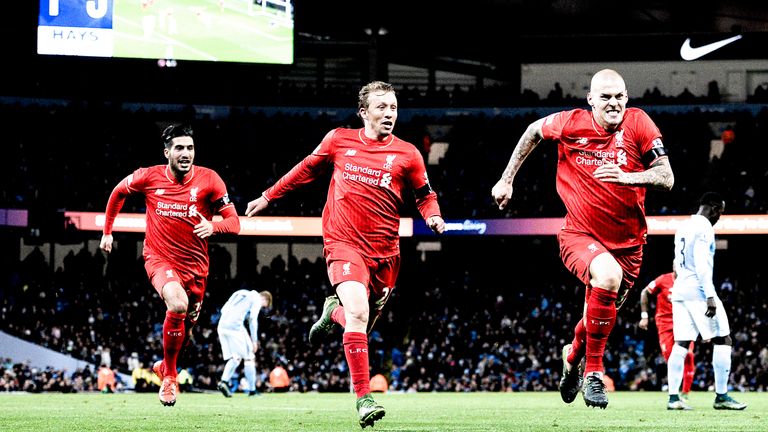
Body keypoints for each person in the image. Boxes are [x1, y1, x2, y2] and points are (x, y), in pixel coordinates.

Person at [245, 80, 445, 428]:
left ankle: (331, 312)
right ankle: (363, 398)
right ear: (363, 112)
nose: (389, 114)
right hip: (343, 242)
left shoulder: (408, 154)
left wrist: (433, 215)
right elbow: (305, 169)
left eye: (394, 107)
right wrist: (268, 196)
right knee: (358, 311)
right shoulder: (339, 140)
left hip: (386, 252)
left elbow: (425, 194)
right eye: (381, 107)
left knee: (360, 323)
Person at [491, 69, 674, 409]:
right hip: (580, 234)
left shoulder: (639, 124)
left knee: (595, 318)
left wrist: (628, 176)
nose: (614, 103)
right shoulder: (570, 123)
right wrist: (507, 180)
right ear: (590, 100)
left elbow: (667, 176)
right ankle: (593, 374)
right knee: (606, 276)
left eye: (619, 96)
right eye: (605, 97)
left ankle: (571, 358)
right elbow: (533, 131)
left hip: (630, 245)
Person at [100, 123, 240, 406]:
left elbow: (234, 223)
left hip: (196, 268)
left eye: (190, 147)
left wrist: (214, 228)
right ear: (167, 152)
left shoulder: (210, 180)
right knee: (177, 304)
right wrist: (107, 231)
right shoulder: (148, 177)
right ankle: (170, 378)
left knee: (185, 333)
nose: (186, 153)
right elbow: (117, 192)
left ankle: (165, 366)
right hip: (159, 258)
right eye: (179, 148)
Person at [667, 192, 746, 411]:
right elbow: (702, 264)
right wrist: (710, 296)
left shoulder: (683, 226)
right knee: (724, 339)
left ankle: (673, 398)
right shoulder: (704, 228)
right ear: (712, 207)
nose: (719, 216)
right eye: (720, 211)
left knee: (681, 343)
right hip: (698, 291)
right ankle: (721, 396)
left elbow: (676, 261)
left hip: (680, 289)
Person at [639, 271, 696, 401]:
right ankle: (674, 393)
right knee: (671, 358)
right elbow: (645, 292)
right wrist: (644, 316)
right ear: (674, 267)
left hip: (684, 323)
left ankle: (685, 394)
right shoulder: (662, 279)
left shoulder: (690, 281)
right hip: (665, 324)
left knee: (689, 355)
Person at [216, 289, 273, 397]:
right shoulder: (256, 298)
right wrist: (254, 340)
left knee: (235, 357)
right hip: (235, 328)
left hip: (222, 326)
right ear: (265, 299)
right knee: (249, 357)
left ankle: (223, 382)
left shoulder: (240, 292)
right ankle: (252, 391)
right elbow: (252, 319)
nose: (262, 308)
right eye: (264, 306)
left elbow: (223, 309)